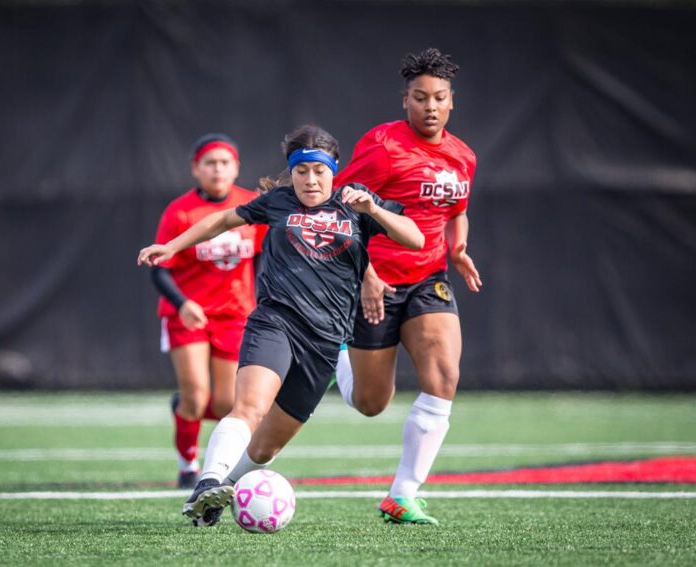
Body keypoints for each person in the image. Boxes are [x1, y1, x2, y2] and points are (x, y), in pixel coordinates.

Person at [138, 124, 424, 526]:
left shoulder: (355, 203)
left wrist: (373, 210)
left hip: (325, 343)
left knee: (266, 447)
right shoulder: (278, 202)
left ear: (334, 168)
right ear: (291, 172)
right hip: (275, 323)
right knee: (249, 407)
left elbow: (416, 240)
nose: (310, 179)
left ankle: (216, 499)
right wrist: (171, 246)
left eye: (319, 170)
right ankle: (207, 481)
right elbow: (221, 221)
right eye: (301, 170)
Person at [333, 48, 482, 525]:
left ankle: (403, 492)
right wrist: (366, 273)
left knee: (444, 377)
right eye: (420, 98)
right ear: (405, 101)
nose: (430, 107)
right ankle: (340, 351)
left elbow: (456, 209)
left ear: (452, 102)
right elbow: (338, 209)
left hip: (428, 279)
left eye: (439, 98)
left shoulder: (462, 157)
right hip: (374, 280)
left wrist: (457, 249)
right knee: (371, 403)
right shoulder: (382, 147)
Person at [151, 133, 266, 489]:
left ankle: (194, 423)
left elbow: (263, 258)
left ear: (236, 168)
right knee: (196, 396)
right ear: (195, 170)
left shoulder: (251, 205)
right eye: (210, 163)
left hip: (235, 314)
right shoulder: (180, 211)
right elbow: (159, 267)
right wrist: (182, 303)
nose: (218, 169)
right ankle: (188, 465)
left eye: (225, 162)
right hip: (189, 315)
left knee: (226, 402)